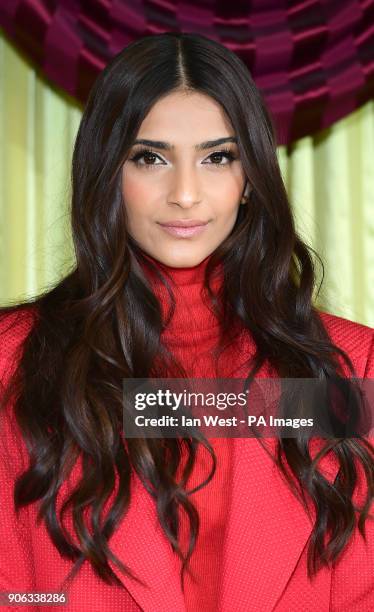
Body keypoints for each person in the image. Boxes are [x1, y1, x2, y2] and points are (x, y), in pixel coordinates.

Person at [0, 32, 373, 612]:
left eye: (216, 157)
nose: (185, 194)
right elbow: (16, 592)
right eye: (150, 158)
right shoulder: (12, 361)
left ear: (250, 178)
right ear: (106, 173)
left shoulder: (349, 366)